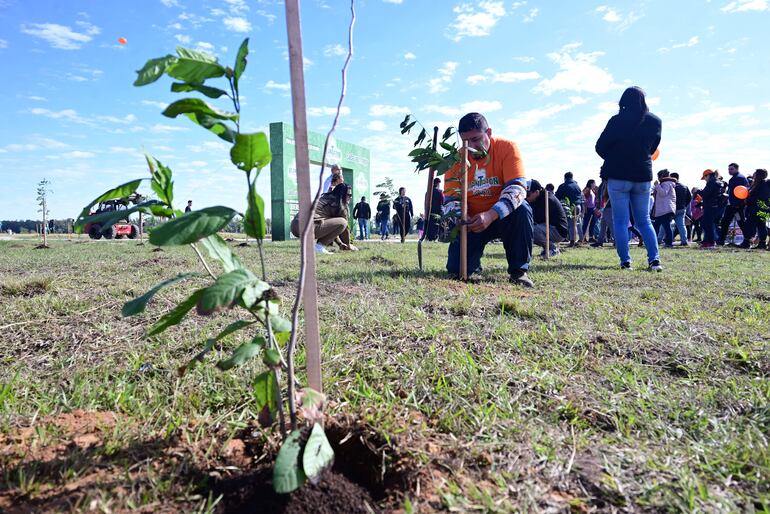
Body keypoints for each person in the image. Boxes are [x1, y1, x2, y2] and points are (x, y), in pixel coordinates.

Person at [443, 112, 534, 286]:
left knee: (522, 209)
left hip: (503, 216)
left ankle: (518, 271)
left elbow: (517, 190)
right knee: (456, 269)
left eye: (476, 139)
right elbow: (450, 200)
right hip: (472, 222)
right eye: (466, 142)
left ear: (489, 132)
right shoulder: (455, 160)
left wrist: (491, 215)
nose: (471, 147)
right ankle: (472, 266)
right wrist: (462, 218)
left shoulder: (507, 148)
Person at [595, 86, 663, 271]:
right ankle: (654, 260)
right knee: (644, 220)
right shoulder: (655, 121)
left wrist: (614, 156)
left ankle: (625, 261)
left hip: (618, 175)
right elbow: (652, 147)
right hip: (642, 174)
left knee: (620, 221)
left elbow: (600, 146)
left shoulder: (616, 121)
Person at [290, 183, 357, 254]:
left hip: (295, 227)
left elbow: (331, 229)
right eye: (349, 195)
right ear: (342, 194)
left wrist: (340, 244)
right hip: (307, 227)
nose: (351, 197)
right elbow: (344, 227)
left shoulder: (325, 198)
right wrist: (348, 244)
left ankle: (318, 247)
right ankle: (319, 247)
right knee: (343, 222)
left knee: (340, 222)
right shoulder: (339, 205)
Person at [527, 179, 568, 257]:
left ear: (536, 192)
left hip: (558, 230)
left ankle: (552, 249)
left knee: (530, 230)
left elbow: (537, 218)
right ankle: (547, 248)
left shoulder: (546, 199)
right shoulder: (539, 197)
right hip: (549, 227)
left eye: (528, 194)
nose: (527, 197)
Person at [717, 162, 749, 246]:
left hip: (736, 205)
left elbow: (742, 192)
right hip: (734, 204)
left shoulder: (738, 178)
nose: (729, 171)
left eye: (731, 169)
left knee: (727, 222)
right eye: (729, 169)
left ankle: (722, 240)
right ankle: (746, 241)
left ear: (737, 169)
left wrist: (737, 204)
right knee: (737, 222)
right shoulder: (737, 178)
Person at [742, 168, 769, 249]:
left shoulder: (763, 185)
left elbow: (760, 197)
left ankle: (747, 242)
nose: (753, 174)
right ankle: (762, 244)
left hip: (756, 209)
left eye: (755, 173)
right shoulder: (761, 184)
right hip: (761, 209)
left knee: (749, 225)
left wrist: (748, 199)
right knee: (761, 226)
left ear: (758, 175)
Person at [699, 169, 726, 248]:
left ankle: (711, 242)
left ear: (708, 175)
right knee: (708, 224)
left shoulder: (712, 183)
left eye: (705, 177)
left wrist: (698, 191)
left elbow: (705, 194)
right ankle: (709, 241)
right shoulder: (718, 182)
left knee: (707, 224)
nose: (705, 180)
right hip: (717, 207)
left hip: (711, 207)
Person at [555, 171, 584, 245]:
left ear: (565, 178)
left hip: (569, 207)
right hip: (578, 206)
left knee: (571, 224)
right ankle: (581, 239)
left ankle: (572, 241)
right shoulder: (577, 186)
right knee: (578, 223)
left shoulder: (563, 186)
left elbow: (557, 197)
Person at [652, 169, 677, 248]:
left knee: (666, 227)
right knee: (657, 226)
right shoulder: (667, 183)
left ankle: (669, 243)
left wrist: (657, 185)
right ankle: (654, 242)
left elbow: (663, 193)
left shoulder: (667, 183)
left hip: (665, 209)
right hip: (663, 209)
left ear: (661, 176)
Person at [669, 172, 692, 246]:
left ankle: (660, 239)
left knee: (665, 224)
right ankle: (684, 241)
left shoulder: (672, 186)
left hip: (672, 208)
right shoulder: (684, 186)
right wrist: (684, 205)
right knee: (681, 225)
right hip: (682, 208)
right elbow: (689, 197)